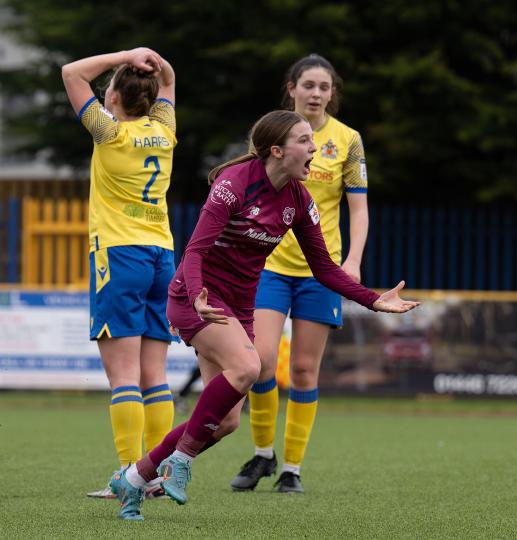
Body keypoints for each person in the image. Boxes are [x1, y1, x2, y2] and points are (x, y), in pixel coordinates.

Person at [108, 110, 419, 520]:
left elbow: (324, 268)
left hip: (237, 307)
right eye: (305, 142)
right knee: (250, 366)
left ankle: (133, 477)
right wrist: (199, 296)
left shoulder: (299, 199)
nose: (314, 150)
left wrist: (373, 300)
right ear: (277, 150)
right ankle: (179, 463)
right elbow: (196, 251)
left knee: (224, 423)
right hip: (195, 296)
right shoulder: (232, 185)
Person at [230, 54, 369, 494]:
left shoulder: (348, 140)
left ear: (332, 93)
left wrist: (354, 262)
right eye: (308, 85)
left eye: (324, 87)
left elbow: (359, 208)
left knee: (306, 371)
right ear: (291, 88)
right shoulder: (273, 133)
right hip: (268, 264)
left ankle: (292, 468)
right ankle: (262, 455)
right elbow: (247, 186)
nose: (316, 93)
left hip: (319, 271)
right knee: (261, 361)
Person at [62, 48, 177, 499]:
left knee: (124, 377)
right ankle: (159, 476)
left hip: (120, 255)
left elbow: (71, 73)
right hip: (161, 256)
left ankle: (128, 475)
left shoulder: (109, 133)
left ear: (112, 96)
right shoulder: (165, 132)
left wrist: (129, 55)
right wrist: (157, 66)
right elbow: (168, 81)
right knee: (156, 376)